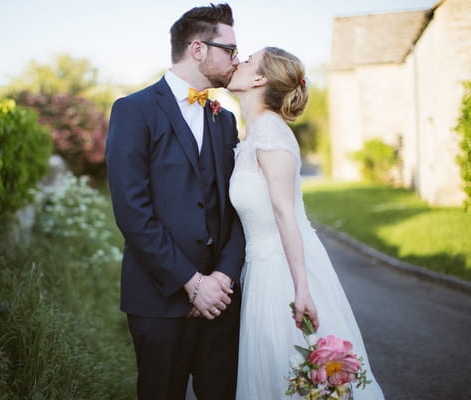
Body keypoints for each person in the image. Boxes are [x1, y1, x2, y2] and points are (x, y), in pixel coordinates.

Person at [227, 47, 386, 399]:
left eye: (248, 59)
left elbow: (286, 214)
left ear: (259, 79)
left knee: (300, 378)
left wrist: (300, 290)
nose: (238, 61)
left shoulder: (269, 132)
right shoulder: (253, 133)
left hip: (284, 272)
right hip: (260, 271)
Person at [105, 4, 245, 400]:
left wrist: (222, 278)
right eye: (230, 50)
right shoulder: (133, 110)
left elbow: (237, 207)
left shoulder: (225, 119)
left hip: (222, 301)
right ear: (198, 49)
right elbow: (132, 211)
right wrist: (191, 282)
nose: (236, 59)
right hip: (158, 297)